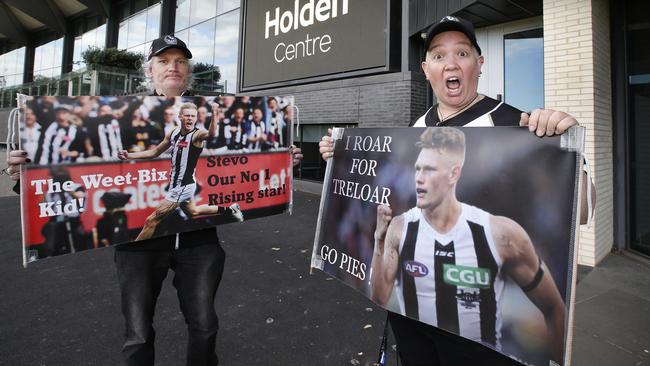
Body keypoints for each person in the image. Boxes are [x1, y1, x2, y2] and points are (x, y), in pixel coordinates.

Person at [5, 34, 303, 366]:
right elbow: (94, 164)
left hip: (198, 240)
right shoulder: (125, 111)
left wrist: (280, 154)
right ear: (150, 71)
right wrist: (24, 177)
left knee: (204, 327)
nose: (172, 67)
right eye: (163, 61)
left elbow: (237, 144)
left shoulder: (208, 113)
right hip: (137, 248)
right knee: (138, 334)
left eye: (180, 61)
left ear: (189, 71)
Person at [319, 15, 595, 366]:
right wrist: (338, 155)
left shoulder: (516, 125)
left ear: (479, 64)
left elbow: (583, 211)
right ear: (426, 69)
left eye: (462, 53)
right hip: (412, 326)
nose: (450, 64)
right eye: (438, 56)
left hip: (478, 344)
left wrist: (570, 155)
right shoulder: (415, 128)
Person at [372, 127, 565, 362]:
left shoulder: (501, 234)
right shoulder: (400, 227)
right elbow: (379, 297)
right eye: (418, 168)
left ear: (454, 174)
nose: (419, 178)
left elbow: (554, 307)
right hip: (415, 348)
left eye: (430, 170)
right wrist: (378, 241)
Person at [117, 102, 244, 241]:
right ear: (180, 116)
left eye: (193, 116)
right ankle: (230, 210)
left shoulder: (197, 135)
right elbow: (155, 152)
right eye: (187, 115)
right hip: (177, 183)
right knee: (193, 212)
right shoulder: (173, 132)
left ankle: (135, 252)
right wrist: (129, 156)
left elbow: (212, 134)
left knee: (151, 221)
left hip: (184, 185)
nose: (190, 119)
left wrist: (214, 113)